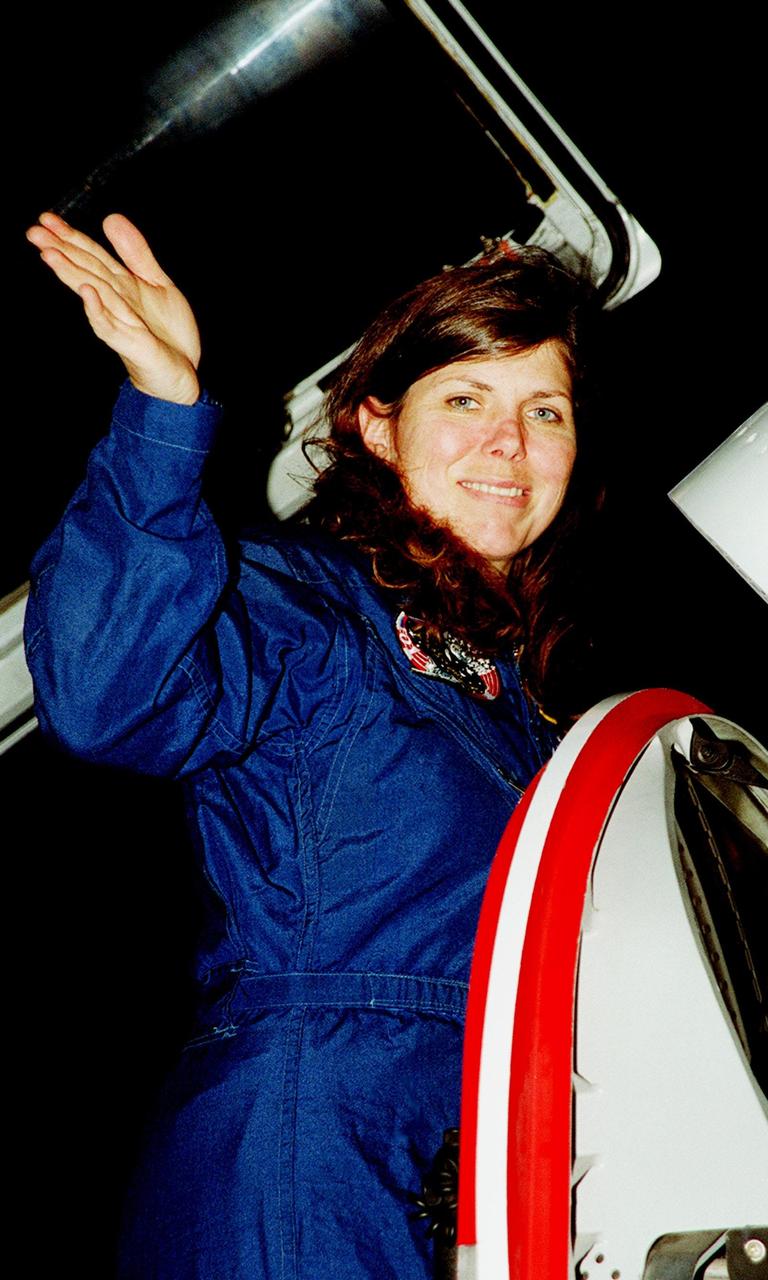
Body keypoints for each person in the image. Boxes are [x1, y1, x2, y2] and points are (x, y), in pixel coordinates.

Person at [24, 210, 600, 1279]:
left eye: (545, 409)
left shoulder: (524, 705)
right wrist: (162, 412)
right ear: (378, 427)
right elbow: (107, 692)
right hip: (316, 1143)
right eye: (465, 398)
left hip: (477, 1153)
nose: (508, 443)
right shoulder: (312, 607)